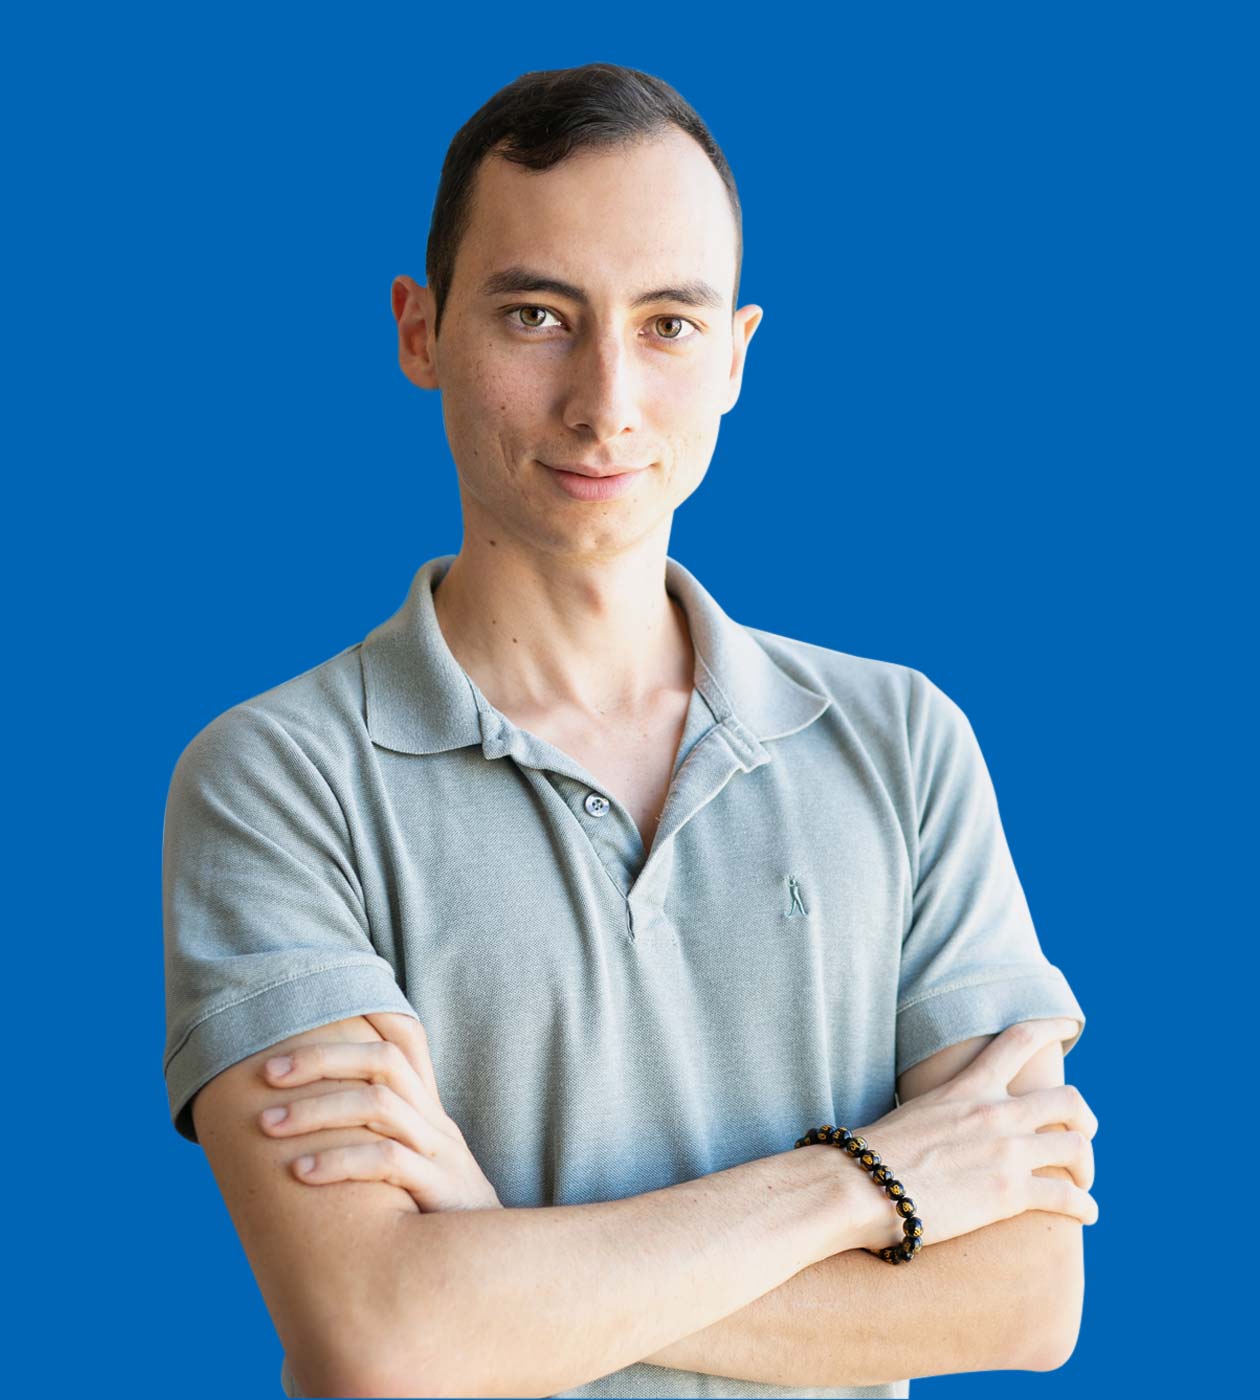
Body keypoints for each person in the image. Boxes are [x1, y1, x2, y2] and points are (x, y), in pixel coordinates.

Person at [161, 62, 1098, 1399]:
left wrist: (495, 1267)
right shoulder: (277, 781)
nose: (606, 399)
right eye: (538, 315)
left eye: (668, 323)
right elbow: (382, 1338)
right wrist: (862, 1189)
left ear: (737, 356)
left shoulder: (904, 744)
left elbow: (1024, 1296)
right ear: (420, 332)